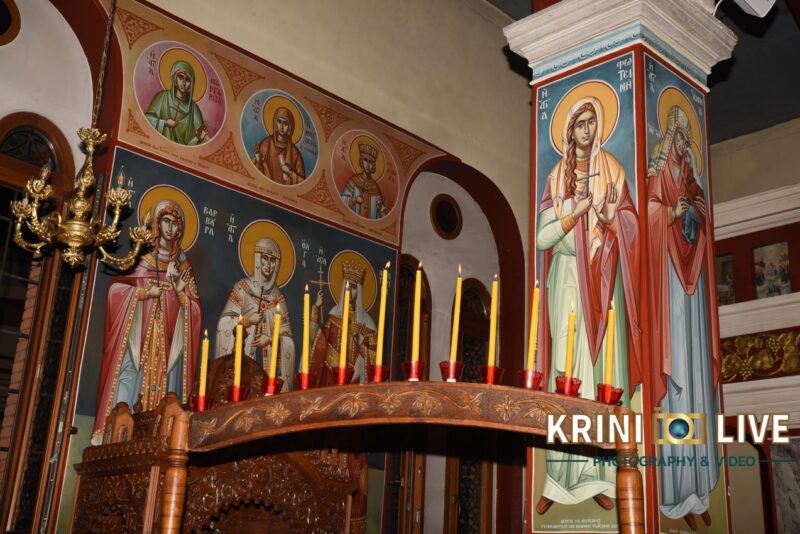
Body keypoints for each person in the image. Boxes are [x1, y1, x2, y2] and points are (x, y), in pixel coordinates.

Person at [535, 96, 641, 514]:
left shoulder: (612, 169)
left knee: (603, 372)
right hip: (566, 282)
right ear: (569, 130)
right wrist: (574, 214)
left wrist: (612, 218)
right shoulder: (556, 177)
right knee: (567, 370)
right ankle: (560, 479)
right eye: (579, 123)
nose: (586, 129)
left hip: (602, 282)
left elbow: (630, 227)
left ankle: (600, 476)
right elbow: (543, 238)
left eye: (592, 122)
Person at [647, 105, 719, 531]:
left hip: (692, 297)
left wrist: (694, 210)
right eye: (677, 135)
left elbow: (703, 213)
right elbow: (649, 216)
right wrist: (672, 214)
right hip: (670, 287)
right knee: (677, 388)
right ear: (667, 138)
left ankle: (697, 490)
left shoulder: (690, 175)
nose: (682, 143)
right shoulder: (658, 175)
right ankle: (675, 493)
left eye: (686, 138)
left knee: (694, 386)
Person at [93, 199, 202, 442]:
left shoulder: (183, 265)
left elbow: (194, 309)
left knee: (168, 387)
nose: (170, 228)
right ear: (157, 224)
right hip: (140, 337)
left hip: (170, 344)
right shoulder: (142, 257)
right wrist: (143, 293)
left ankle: (161, 437)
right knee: (131, 377)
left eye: (175, 224)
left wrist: (181, 294)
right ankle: (120, 437)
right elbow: (116, 290)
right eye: (166, 221)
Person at [216, 237, 295, 388]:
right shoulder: (242, 289)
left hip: (267, 372)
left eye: (273, 260)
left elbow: (287, 338)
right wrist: (247, 320)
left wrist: (270, 339)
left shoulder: (278, 299)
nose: (268, 265)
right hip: (243, 368)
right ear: (258, 259)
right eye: (265, 258)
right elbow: (224, 323)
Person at [309, 260, 378, 385]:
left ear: (359, 291)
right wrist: (315, 311)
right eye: (347, 286)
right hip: (331, 380)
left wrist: (361, 344)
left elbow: (375, 360)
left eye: (353, 287)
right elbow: (317, 342)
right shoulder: (335, 314)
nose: (349, 291)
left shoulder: (367, 322)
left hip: (356, 383)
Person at [145, 60, 208, 145]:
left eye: (187, 79)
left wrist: (198, 138)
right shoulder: (162, 97)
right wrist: (165, 123)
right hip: (157, 146)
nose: (184, 83)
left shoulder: (194, 110)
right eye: (181, 77)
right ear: (175, 79)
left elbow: (191, 145)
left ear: (191, 84)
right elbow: (147, 119)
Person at [253, 106, 306, 185]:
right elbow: (254, 174)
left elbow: (302, 183)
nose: (281, 126)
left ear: (290, 127)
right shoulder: (265, 145)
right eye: (279, 121)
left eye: (285, 123)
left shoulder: (295, 154)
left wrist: (289, 173)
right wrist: (258, 162)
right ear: (275, 123)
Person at [341, 142, 387, 219]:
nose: (368, 165)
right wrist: (355, 200)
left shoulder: (375, 187)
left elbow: (382, 217)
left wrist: (381, 207)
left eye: (371, 162)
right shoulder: (353, 181)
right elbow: (342, 200)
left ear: (374, 165)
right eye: (365, 160)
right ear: (361, 161)